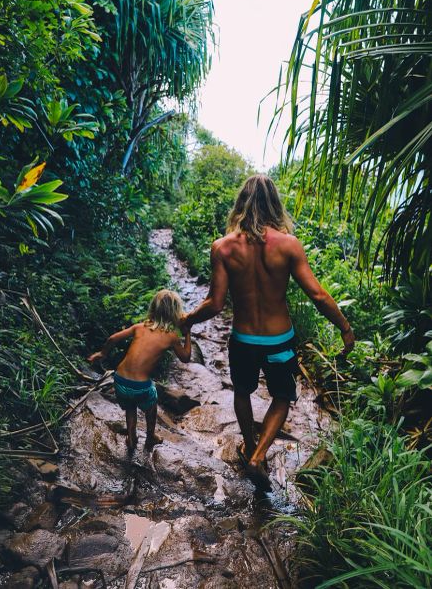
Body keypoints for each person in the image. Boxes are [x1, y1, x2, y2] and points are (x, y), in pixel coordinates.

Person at [182, 174, 355, 489]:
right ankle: (259, 454)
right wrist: (345, 328)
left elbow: (215, 303)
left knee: (242, 392)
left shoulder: (222, 248)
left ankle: (250, 445)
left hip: (243, 340)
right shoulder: (289, 245)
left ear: (241, 204)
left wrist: (188, 320)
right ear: (275, 204)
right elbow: (317, 294)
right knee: (282, 396)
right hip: (279, 340)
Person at [87, 289, 191, 454]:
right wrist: (188, 333)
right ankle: (150, 437)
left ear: (153, 308)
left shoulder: (139, 327)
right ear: (175, 313)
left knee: (130, 406)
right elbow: (185, 358)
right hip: (140, 386)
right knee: (151, 406)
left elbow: (113, 339)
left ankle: (131, 437)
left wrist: (102, 354)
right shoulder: (171, 337)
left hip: (120, 380)